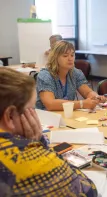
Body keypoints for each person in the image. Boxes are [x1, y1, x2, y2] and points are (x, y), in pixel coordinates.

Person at [0, 67, 97, 196]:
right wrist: (39, 144)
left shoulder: (75, 73)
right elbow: (88, 190)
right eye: (31, 109)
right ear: (10, 116)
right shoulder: (25, 157)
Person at [36, 40, 105, 110]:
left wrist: (96, 97)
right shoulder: (45, 75)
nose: (70, 59)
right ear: (55, 58)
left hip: (67, 115)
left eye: (72, 55)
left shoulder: (75, 73)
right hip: (46, 117)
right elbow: (50, 104)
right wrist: (81, 104)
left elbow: (87, 92)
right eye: (65, 56)